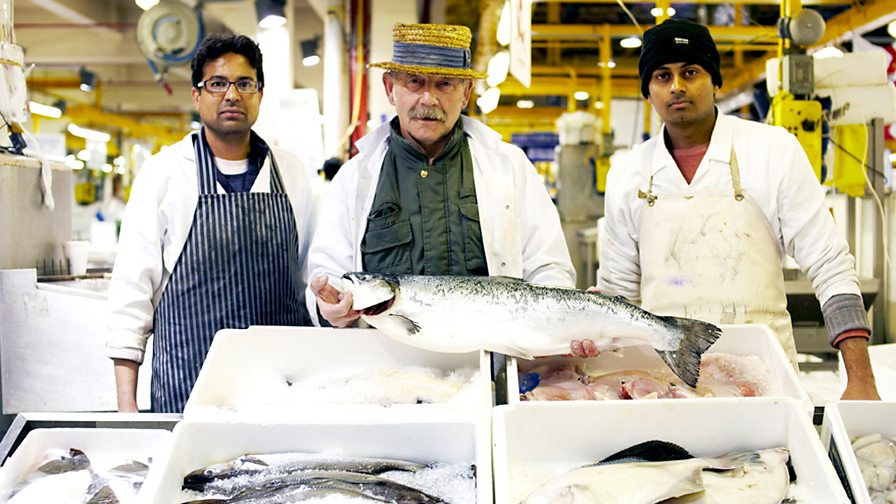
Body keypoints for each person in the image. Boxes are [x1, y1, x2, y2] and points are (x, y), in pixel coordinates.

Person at [583, 18, 879, 400]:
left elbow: (830, 265)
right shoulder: (628, 171)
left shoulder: (773, 150)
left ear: (715, 80)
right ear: (648, 90)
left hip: (765, 381)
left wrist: (861, 380)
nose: (677, 86)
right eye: (662, 75)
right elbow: (620, 295)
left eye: (691, 72)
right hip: (665, 384)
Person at [307, 23, 575, 327]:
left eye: (444, 84)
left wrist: (557, 321)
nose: (427, 99)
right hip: (384, 364)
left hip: (488, 358)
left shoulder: (510, 168)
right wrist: (329, 307)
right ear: (389, 88)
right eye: (414, 81)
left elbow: (549, 267)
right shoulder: (354, 178)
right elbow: (327, 274)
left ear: (465, 93)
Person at [106, 34, 316, 413]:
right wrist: (127, 408)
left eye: (244, 83)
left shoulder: (292, 174)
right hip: (188, 393)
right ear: (196, 96)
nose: (231, 95)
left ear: (260, 94)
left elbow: (311, 284)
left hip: (282, 397)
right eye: (217, 84)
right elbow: (130, 294)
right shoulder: (165, 174)